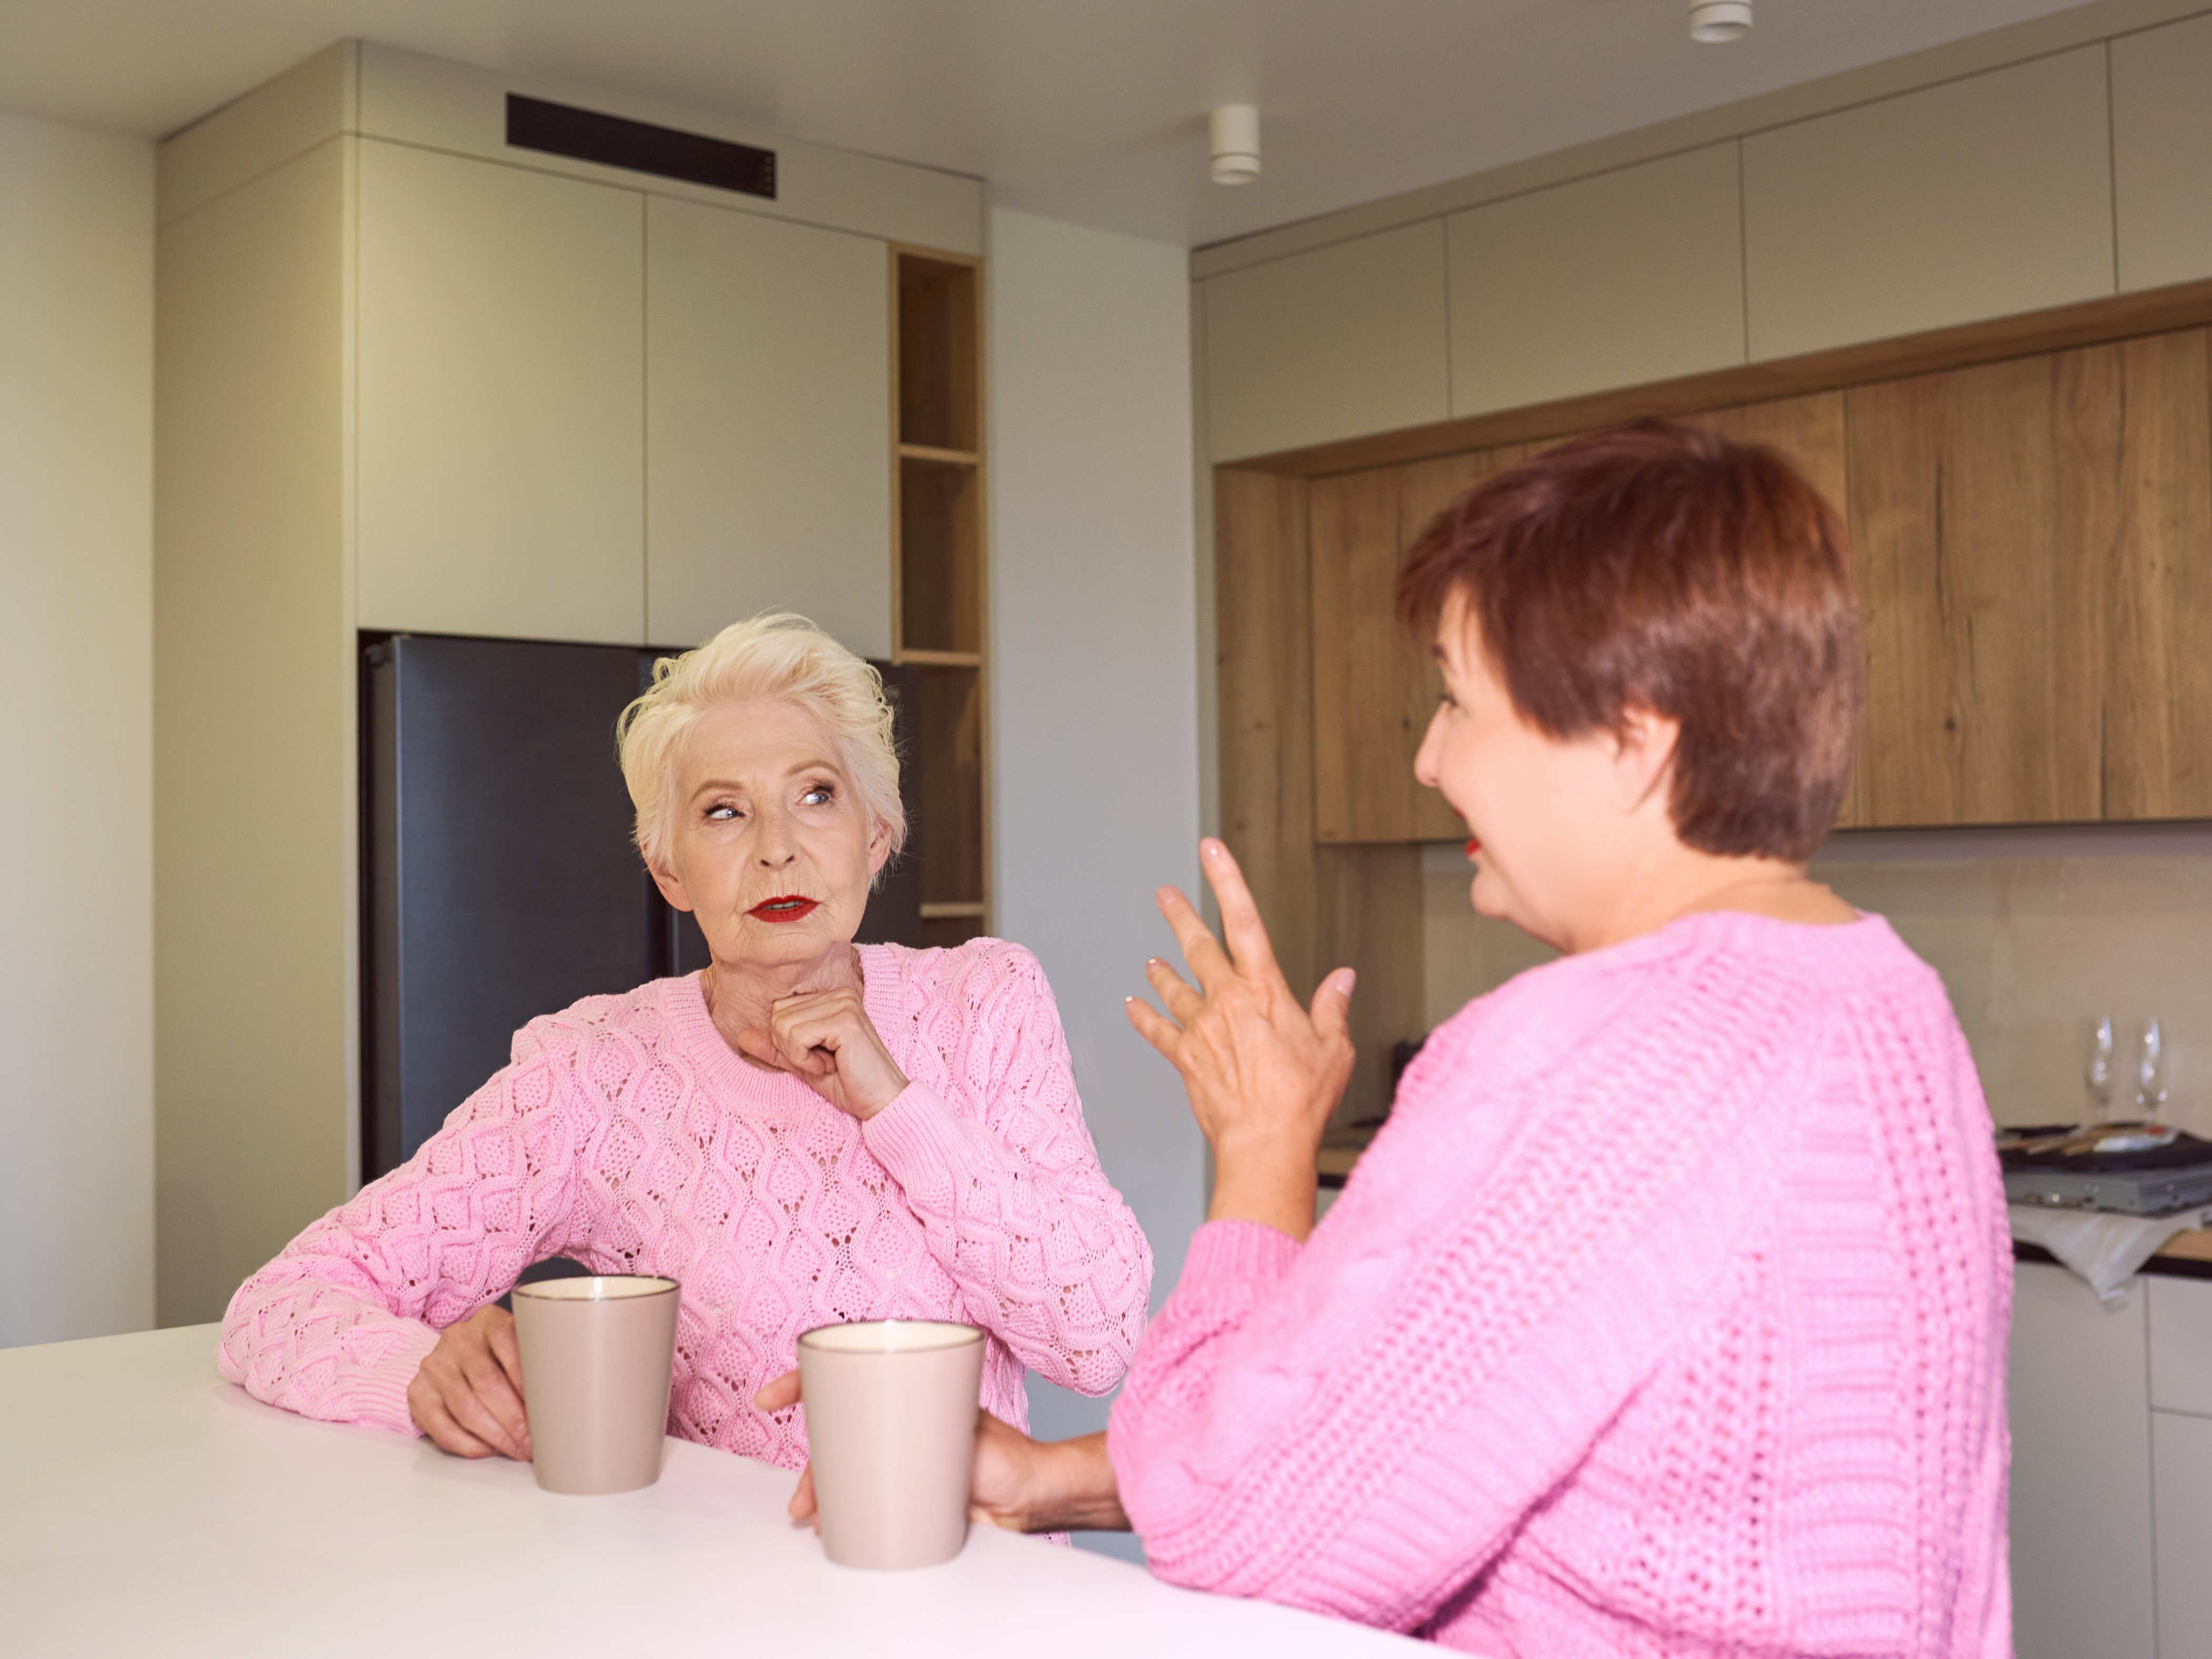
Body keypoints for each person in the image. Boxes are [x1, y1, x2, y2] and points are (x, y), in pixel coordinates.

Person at [938, 424, 2012, 1654]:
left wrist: (1262, 1154)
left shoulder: (1587, 1058)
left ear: (1632, 739)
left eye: (1458, 698)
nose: (1430, 758)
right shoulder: (1887, 1000)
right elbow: (1426, 1442)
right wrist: (1049, 1482)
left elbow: (1233, 1526)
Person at [219, 614, 1152, 1471]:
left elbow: (1099, 1338)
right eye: (723, 811)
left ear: (876, 833)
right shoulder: (596, 1072)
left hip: (972, 1608)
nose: (776, 847)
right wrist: (425, 1371)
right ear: (670, 870)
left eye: (816, 795)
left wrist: (894, 1104)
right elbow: (282, 1302)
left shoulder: (984, 1002)